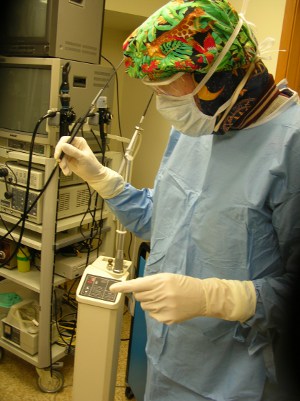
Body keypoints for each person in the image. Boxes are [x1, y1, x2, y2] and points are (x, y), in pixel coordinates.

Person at [55, 1, 300, 400]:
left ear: (221, 76)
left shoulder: (291, 146)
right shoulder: (198, 128)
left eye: (168, 88)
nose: (163, 102)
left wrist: (218, 298)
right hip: (169, 359)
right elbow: (168, 220)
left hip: (237, 378)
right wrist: (101, 178)